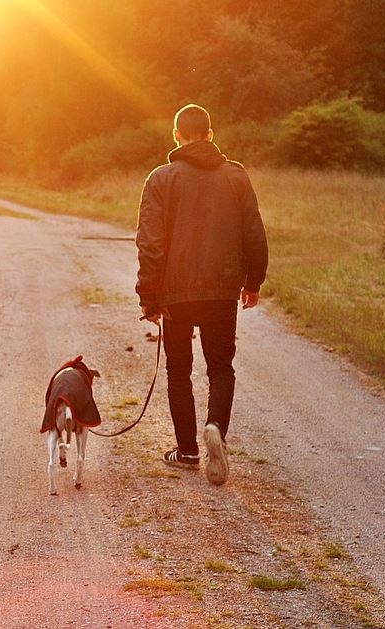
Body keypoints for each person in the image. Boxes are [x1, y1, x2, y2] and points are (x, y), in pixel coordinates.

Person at [135, 104, 269, 486]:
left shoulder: (160, 179)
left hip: (174, 294)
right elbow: (254, 235)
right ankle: (215, 430)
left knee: (179, 369)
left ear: (176, 135)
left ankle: (188, 451)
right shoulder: (236, 177)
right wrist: (252, 282)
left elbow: (150, 243)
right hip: (223, 290)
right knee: (221, 366)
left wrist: (149, 294)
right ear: (210, 135)